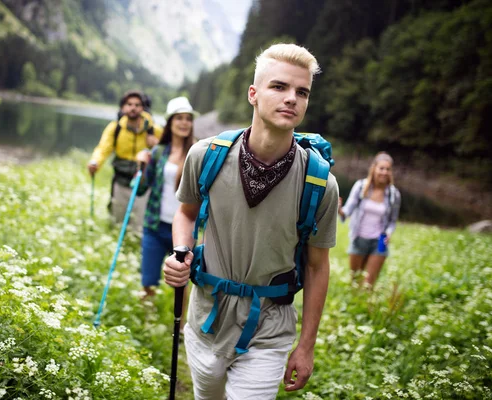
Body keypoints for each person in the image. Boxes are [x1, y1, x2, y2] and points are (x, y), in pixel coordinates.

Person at [163, 43, 339, 399]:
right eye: (279, 87)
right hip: (206, 317)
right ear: (253, 94)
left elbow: (318, 268)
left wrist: (306, 346)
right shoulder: (206, 156)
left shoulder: (320, 183)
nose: (292, 98)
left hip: (269, 328)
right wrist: (181, 252)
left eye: (301, 92)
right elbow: (186, 213)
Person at [135, 97, 197, 299]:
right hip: (154, 226)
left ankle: (180, 326)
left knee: (182, 283)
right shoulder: (158, 152)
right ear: (170, 122)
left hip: (183, 229)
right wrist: (141, 166)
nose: (184, 122)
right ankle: (148, 321)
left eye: (188, 118)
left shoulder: (198, 153)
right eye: (179, 118)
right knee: (148, 280)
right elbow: (140, 189)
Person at [87, 90, 163, 229]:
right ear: (123, 107)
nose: (133, 107)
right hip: (120, 181)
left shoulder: (154, 129)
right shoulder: (115, 128)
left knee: (139, 225)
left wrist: (156, 144)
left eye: (137, 104)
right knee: (117, 221)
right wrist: (95, 162)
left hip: (143, 183)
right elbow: (103, 148)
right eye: (129, 104)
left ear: (143, 108)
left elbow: (168, 151)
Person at [338, 152, 401, 287]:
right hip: (358, 239)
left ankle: (366, 306)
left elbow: (392, 221)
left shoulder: (393, 194)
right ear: (374, 168)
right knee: (355, 282)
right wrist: (339, 210)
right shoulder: (360, 186)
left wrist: (389, 233)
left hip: (379, 243)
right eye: (381, 168)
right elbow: (347, 210)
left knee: (368, 285)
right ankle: (356, 306)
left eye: (388, 169)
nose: (384, 172)